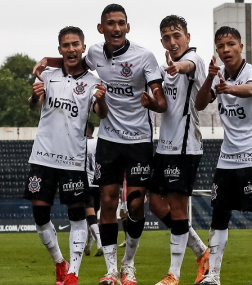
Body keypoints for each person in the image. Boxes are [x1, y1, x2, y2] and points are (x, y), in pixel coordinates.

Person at [33, 5, 167, 285]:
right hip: (108, 139)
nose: (116, 28)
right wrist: (47, 60)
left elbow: (161, 100)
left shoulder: (144, 56)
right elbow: (72, 62)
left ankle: (129, 265)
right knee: (106, 202)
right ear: (101, 28)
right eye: (110, 23)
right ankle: (111, 271)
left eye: (121, 23)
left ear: (127, 27)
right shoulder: (93, 53)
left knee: (135, 206)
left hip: (139, 139)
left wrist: (154, 103)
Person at [24, 26, 108, 285]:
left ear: (83, 47)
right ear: (59, 48)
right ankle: (60, 262)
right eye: (66, 45)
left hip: (73, 160)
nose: (71, 49)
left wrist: (102, 100)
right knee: (40, 216)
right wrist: (33, 97)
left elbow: (101, 113)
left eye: (75, 44)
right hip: (42, 157)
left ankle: (73, 272)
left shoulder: (93, 81)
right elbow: (33, 106)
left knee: (77, 215)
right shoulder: (48, 76)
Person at [194, 26, 252, 285]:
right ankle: (213, 277)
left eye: (231, 44)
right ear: (216, 51)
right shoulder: (217, 75)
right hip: (227, 157)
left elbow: (250, 89)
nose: (226, 49)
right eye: (220, 46)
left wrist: (228, 88)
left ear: (241, 47)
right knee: (219, 214)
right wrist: (209, 78)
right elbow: (199, 104)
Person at [148, 15, 209, 285]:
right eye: (166, 37)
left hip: (185, 148)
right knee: (155, 204)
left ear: (187, 37)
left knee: (177, 207)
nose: (172, 42)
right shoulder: (163, 68)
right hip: (164, 147)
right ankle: (201, 251)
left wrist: (178, 67)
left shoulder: (194, 60)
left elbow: (186, 66)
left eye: (177, 35)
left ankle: (174, 274)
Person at [84, 122, 104, 257]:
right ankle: (88, 246)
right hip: (98, 185)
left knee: (90, 218)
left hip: (86, 184)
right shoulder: (98, 144)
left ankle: (100, 244)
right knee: (92, 217)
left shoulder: (80, 143)